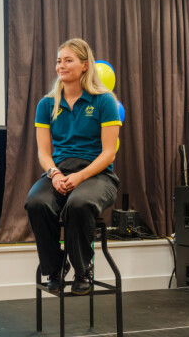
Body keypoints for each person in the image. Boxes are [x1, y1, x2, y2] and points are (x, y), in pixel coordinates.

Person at [25, 38, 121, 296]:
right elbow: (44, 153)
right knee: (36, 203)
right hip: (60, 171)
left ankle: (83, 269)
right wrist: (54, 173)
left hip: (98, 174)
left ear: (85, 65)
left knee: (78, 204)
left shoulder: (104, 101)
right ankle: (55, 268)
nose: (61, 66)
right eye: (59, 61)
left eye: (68, 60)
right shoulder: (46, 104)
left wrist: (79, 177)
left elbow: (109, 153)